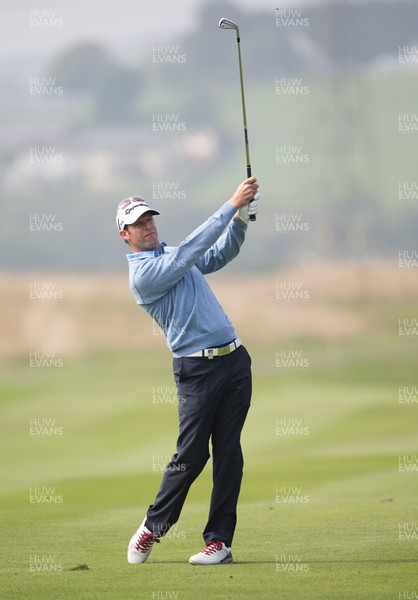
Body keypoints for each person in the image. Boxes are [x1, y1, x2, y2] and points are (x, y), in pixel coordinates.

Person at [116, 176, 259, 565]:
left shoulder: (171, 253)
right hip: (197, 369)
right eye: (138, 223)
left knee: (229, 453)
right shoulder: (144, 276)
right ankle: (153, 527)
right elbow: (189, 254)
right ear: (124, 234)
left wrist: (241, 221)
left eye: (149, 218)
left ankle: (219, 542)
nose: (148, 225)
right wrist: (230, 204)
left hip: (234, 361)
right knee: (191, 455)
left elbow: (216, 255)